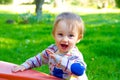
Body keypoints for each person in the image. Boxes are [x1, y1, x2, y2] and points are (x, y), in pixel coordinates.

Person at [12, 12, 88, 80]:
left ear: (78, 38)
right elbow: (38, 59)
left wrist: (60, 60)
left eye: (70, 36)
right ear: (54, 35)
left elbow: (79, 70)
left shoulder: (74, 55)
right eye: (60, 34)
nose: (65, 39)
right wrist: (25, 65)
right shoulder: (52, 50)